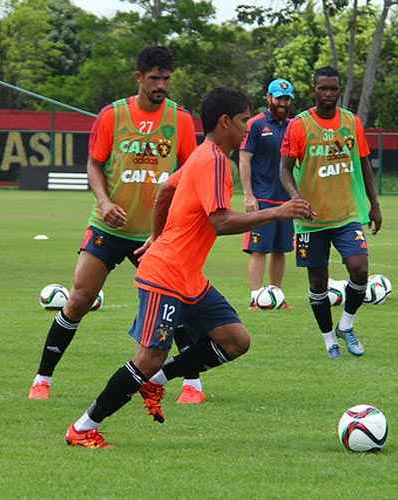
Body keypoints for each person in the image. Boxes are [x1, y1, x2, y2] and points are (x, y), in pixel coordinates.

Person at [64, 86, 313, 448]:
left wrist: (155, 235)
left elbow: (165, 190)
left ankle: (156, 382)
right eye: (244, 120)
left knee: (235, 340)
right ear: (225, 122)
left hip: (188, 277)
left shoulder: (203, 155)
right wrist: (279, 211)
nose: (247, 128)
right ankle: (83, 427)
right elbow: (220, 222)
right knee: (149, 357)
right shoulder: (212, 161)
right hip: (166, 274)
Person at [28, 46, 206, 405]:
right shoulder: (113, 115)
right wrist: (105, 202)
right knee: (79, 298)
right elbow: (94, 165)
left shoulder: (181, 120)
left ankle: (192, 386)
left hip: (157, 235)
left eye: (166, 78)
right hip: (109, 228)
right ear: (138, 77)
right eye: (154, 78)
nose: (160, 85)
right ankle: (42, 379)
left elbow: (190, 169)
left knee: (177, 308)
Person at [279, 66, 382, 359]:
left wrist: (375, 205)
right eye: (322, 88)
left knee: (360, 267)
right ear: (314, 90)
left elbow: (364, 164)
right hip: (310, 221)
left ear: (339, 90)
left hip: (347, 214)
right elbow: (284, 171)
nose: (328, 94)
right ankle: (328, 339)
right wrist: (296, 199)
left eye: (333, 89)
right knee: (317, 282)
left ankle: (347, 325)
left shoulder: (351, 121)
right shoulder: (299, 125)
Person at [239, 78, 296, 308]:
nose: (283, 102)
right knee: (259, 249)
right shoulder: (255, 124)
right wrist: (248, 195)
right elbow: (244, 159)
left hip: (286, 199)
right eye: (279, 98)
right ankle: (256, 297)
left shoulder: (294, 125)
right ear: (268, 99)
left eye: (286, 98)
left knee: (281, 249)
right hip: (262, 198)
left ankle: (276, 296)